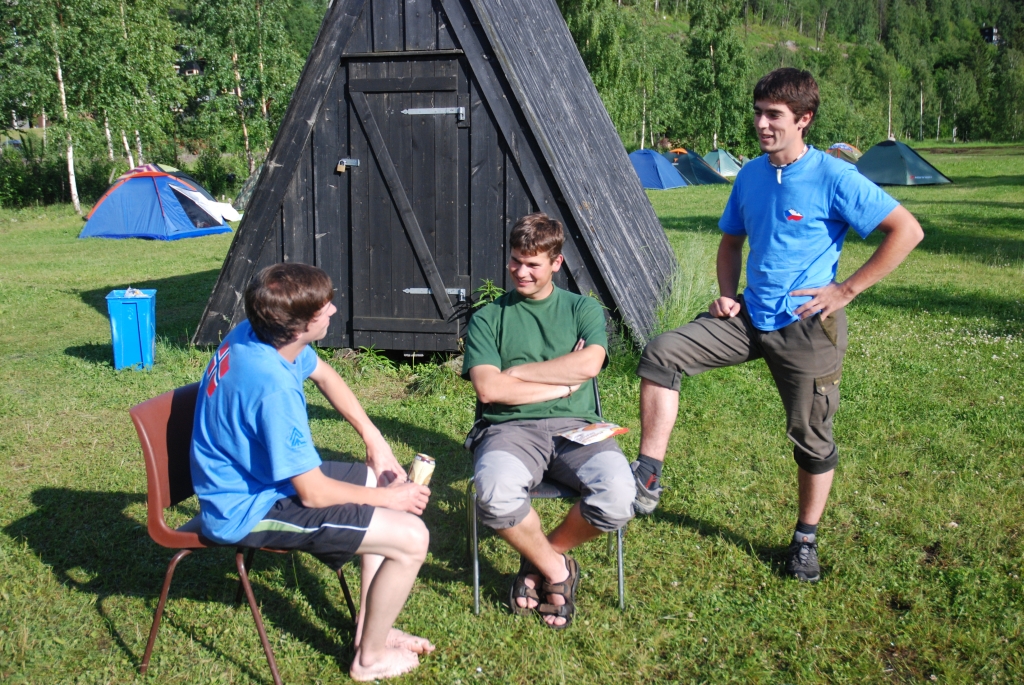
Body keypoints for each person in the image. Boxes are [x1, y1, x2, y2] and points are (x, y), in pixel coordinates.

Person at [631, 68, 924, 582]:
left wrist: (844, 290)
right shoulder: (750, 175)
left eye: (774, 115)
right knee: (662, 353)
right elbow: (731, 241)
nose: (762, 124)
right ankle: (647, 475)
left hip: (807, 325)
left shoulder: (834, 176)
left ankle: (805, 540)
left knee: (810, 435)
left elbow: (907, 230)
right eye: (758, 113)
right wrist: (727, 295)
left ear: (804, 119)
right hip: (748, 314)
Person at [190, 263, 434, 681]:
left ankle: (369, 630)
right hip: (246, 507)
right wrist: (389, 500)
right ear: (298, 327)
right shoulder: (273, 389)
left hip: (260, 480)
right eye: (324, 309)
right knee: (413, 536)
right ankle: (370, 660)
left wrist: (374, 439)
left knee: (381, 480)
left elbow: (324, 374)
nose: (334, 310)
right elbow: (314, 493)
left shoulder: (254, 333)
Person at [463, 213, 636, 628]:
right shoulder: (488, 318)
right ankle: (558, 571)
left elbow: (590, 363)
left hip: (578, 428)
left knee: (618, 495)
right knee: (495, 493)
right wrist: (563, 384)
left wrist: (517, 373)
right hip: (508, 429)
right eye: (515, 261)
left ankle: (537, 559)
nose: (520, 272)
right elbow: (489, 389)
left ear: (556, 263)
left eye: (532, 264)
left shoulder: (582, 309)